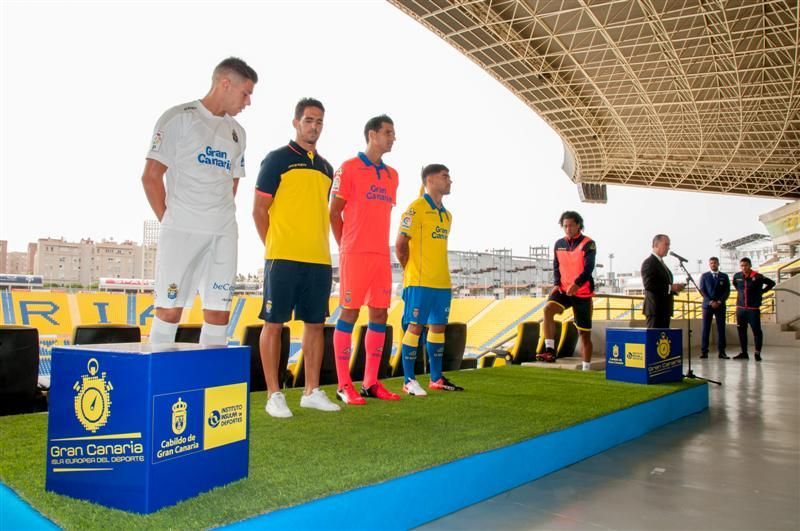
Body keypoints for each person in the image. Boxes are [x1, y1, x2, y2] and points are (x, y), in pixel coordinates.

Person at [142, 57, 257, 347]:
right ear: (225, 84)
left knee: (219, 313)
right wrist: (172, 220)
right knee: (169, 310)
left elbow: (232, 185)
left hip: (223, 231)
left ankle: (213, 387)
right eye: (246, 93)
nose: (248, 102)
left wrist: (215, 216)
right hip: (182, 228)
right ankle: (162, 383)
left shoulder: (238, 133)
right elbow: (151, 177)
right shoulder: (178, 118)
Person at [252, 98, 340, 418]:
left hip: (318, 258)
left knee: (315, 325)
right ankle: (274, 394)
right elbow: (259, 210)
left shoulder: (327, 168)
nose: (313, 126)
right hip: (283, 257)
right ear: (295, 123)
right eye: (308, 120)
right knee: (274, 325)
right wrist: (275, 244)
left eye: (319, 121)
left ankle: (311, 391)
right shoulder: (276, 160)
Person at [329, 115, 401, 405]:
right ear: (372, 135)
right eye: (388, 132)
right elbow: (334, 213)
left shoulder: (393, 175)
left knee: (380, 315)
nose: (393, 137)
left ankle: (371, 382)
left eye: (393, 133)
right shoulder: (348, 169)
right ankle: (344, 384)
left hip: (381, 256)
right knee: (349, 313)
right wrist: (345, 245)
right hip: (354, 254)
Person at [395, 164, 463, 395]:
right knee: (415, 327)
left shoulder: (447, 215)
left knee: (438, 327)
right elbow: (401, 244)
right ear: (430, 180)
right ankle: (409, 380)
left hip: (441, 282)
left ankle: (436, 378)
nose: (450, 180)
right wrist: (409, 270)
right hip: (419, 281)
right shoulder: (415, 209)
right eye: (445, 176)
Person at [538, 211, 596, 370]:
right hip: (563, 290)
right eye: (565, 226)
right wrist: (557, 282)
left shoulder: (588, 244)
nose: (568, 228)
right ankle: (550, 350)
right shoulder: (559, 244)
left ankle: (586, 368)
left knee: (584, 334)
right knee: (548, 309)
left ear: (578, 225)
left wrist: (577, 284)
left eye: (571, 225)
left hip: (582, 293)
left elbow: (589, 267)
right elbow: (556, 265)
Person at [732, 257, 775, 362]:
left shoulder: (758, 276)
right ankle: (744, 352)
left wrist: (762, 292)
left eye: (746, 265)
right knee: (741, 331)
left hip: (753, 309)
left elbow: (771, 283)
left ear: (750, 265)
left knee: (757, 331)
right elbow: (736, 285)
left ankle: (757, 352)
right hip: (740, 309)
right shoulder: (737, 276)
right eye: (742, 266)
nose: (744, 268)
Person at [641, 234, 685, 328]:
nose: (668, 248)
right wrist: (670, 287)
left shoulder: (662, 264)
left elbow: (663, 283)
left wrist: (675, 288)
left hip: (664, 309)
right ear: (656, 245)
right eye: (666, 244)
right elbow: (649, 284)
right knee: (654, 339)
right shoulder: (649, 263)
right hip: (655, 309)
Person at [698, 256, 731, 359]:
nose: (713, 264)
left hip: (720, 306)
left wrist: (719, 301)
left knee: (721, 329)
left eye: (715, 263)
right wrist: (711, 301)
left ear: (718, 264)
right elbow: (702, 290)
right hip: (707, 306)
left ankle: (722, 352)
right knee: (705, 329)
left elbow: (727, 291)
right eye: (711, 263)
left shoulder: (724, 276)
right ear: (709, 264)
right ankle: (704, 351)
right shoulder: (704, 276)